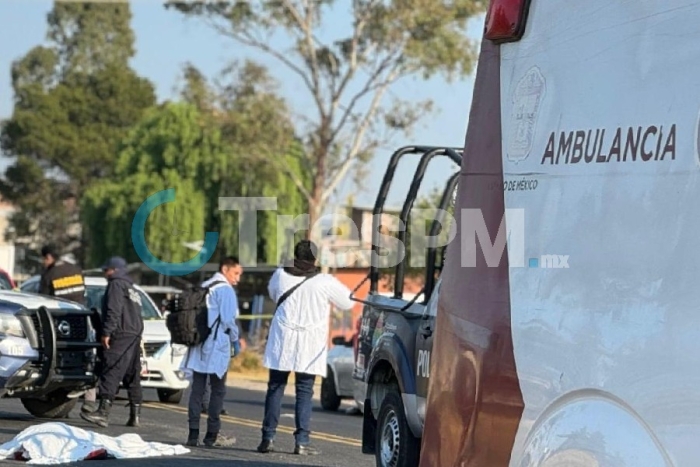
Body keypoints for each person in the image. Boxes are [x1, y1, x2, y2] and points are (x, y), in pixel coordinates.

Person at [257, 240, 354, 455]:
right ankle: (301, 442)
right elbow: (348, 302)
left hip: (283, 340)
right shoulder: (324, 281)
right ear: (315, 259)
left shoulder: (280, 274)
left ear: (294, 255)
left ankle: (268, 438)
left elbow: (274, 294)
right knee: (304, 392)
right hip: (309, 345)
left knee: (275, 388)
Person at [183, 256, 242, 448]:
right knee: (218, 390)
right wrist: (235, 340)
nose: (237, 278)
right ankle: (212, 435)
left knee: (197, 390)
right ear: (225, 269)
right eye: (236, 273)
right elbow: (228, 320)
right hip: (217, 346)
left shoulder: (205, 285)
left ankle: (193, 434)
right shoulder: (225, 290)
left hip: (199, 343)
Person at [81, 257, 144, 428]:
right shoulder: (132, 288)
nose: (104, 273)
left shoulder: (116, 284)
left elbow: (113, 310)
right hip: (134, 334)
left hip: (121, 333)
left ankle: (103, 413)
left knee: (111, 370)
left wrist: (107, 332)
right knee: (132, 375)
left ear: (115, 270)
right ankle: (134, 415)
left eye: (107, 270)